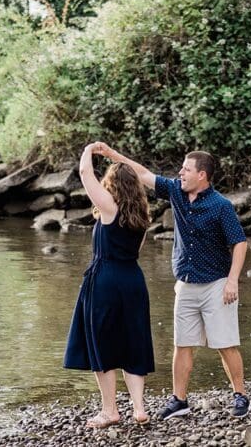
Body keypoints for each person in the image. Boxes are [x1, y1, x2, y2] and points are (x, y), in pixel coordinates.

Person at [98, 144, 251, 419]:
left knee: (225, 344)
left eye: (186, 169)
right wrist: (112, 155)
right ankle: (179, 400)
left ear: (202, 175)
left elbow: (239, 243)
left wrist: (232, 281)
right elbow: (143, 173)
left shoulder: (221, 206)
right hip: (186, 284)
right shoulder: (176, 193)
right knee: (183, 344)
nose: (180, 173)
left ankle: (240, 394)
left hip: (217, 283)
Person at [63, 142, 155, 428]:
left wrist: (89, 149)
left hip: (105, 280)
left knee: (102, 344)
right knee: (133, 342)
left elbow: (83, 172)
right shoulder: (143, 217)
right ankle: (139, 408)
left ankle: (110, 410)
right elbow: (135, 251)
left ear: (112, 185)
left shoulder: (108, 207)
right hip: (133, 280)